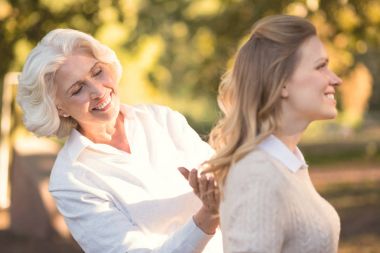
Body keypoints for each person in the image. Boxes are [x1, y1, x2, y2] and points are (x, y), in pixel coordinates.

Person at [17, 28, 222, 253]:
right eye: (77, 89)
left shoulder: (161, 119)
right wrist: (207, 217)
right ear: (59, 108)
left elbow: (225, 180)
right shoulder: (71, 180)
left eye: (97, 72)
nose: (98, 90)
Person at [204, 15, 341, 253]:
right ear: (282, 82)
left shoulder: (287, 164)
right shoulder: (256, 176)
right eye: (321, 66)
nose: (335, 79)